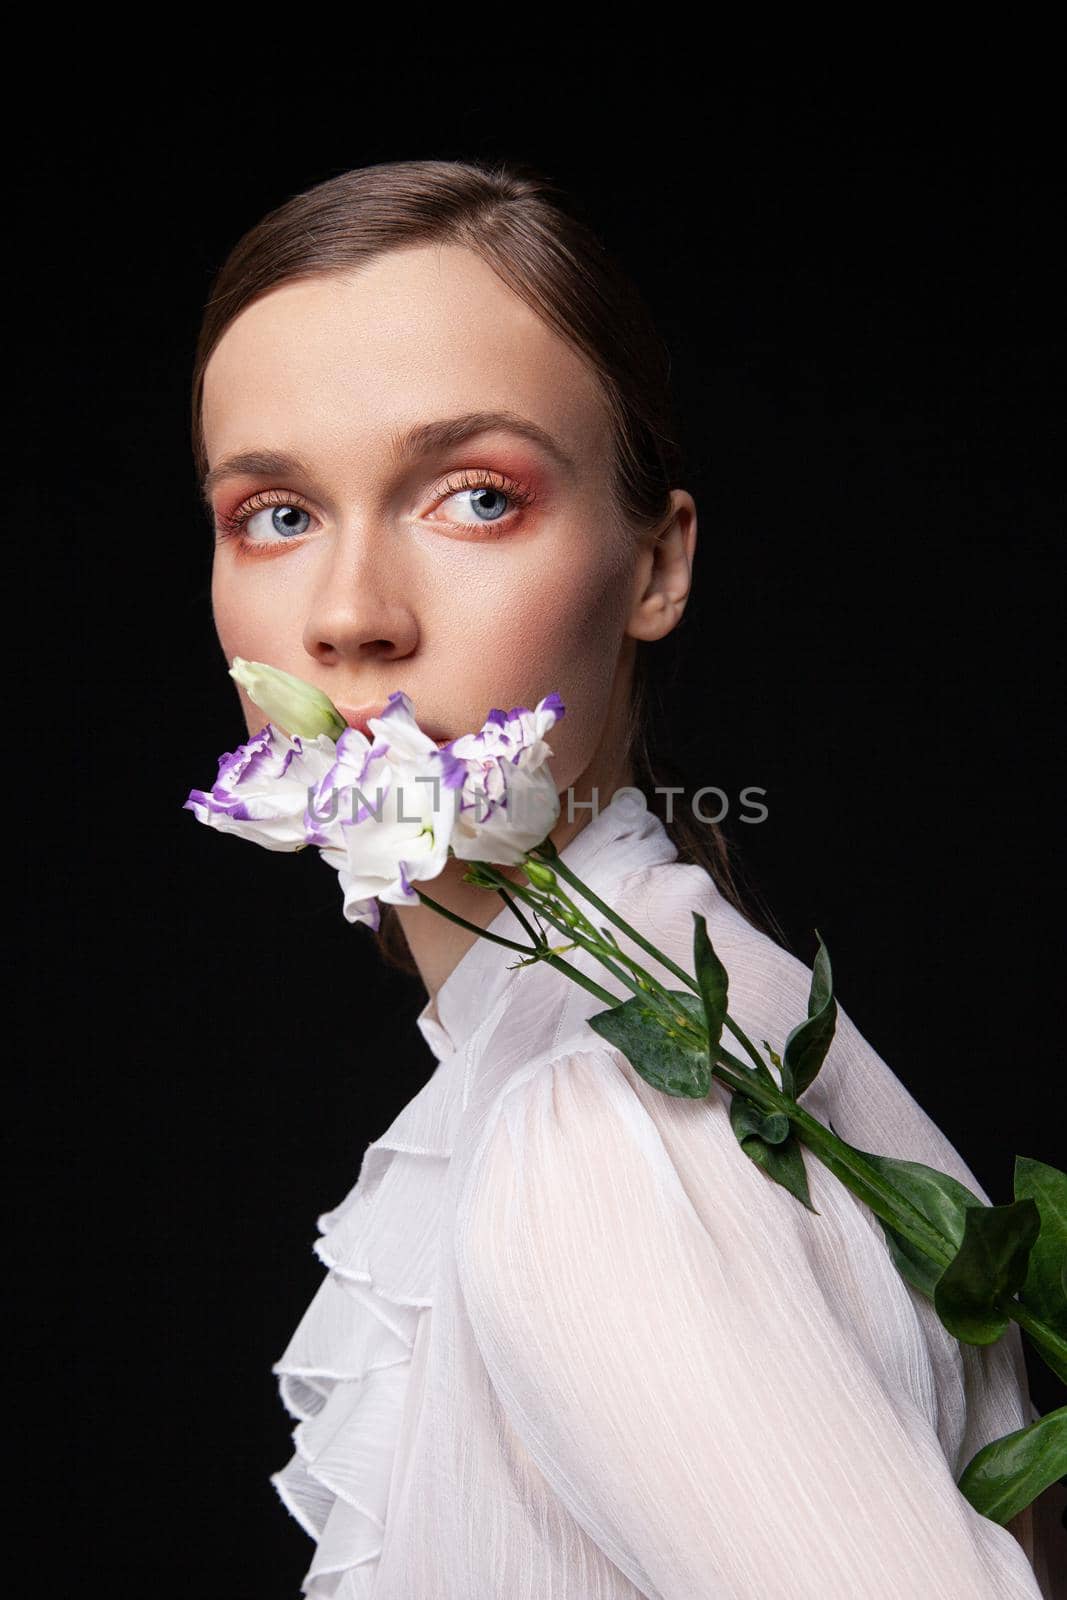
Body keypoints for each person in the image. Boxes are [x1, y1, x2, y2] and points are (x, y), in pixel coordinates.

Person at [191, 158, 1063, 1598]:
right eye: (275, 513)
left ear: (657, 562)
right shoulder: (683, 1012)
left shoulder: (602, 1136)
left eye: (474, 497)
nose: (348, 617)